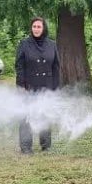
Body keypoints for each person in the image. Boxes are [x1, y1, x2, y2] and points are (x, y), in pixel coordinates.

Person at [15, 17, 60, 154]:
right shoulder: (24, 44)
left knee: (44, 114)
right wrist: (22, 85)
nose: (36, 29)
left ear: (43, 28)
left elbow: (56, 67)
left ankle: (46, 145)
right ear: (31, 28)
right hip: (29, 85)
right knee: (27, 115)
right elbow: (19, 66)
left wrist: (55, 87)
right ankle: (26, 147)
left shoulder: (52, 44)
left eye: (39, 27)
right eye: (34, 26)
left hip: (47, 85)